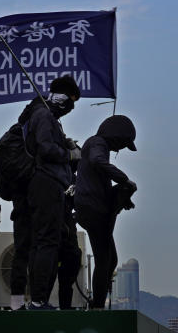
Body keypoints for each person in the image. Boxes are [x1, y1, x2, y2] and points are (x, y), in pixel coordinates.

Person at [23, 75, 80, 310]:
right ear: (62, 96)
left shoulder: (45, 116)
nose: (71, 107)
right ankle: (38, 300)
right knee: (47, 242)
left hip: (47, 184)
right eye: (71, 101)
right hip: (47, 184)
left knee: (45, 242)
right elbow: (45, 148)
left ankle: (38, 299)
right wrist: (68, 154)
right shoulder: (45, 115)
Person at [74, 114, 137, 310]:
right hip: (92, 208)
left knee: (111, 259)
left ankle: (97, 303)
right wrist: (124, 179)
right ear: (116, 136)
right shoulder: (97, 143)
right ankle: (98, 307)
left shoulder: (98, 144)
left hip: (96, 206)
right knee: (104, 259)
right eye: (122, 143)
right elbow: (97, 160)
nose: (119, 149)